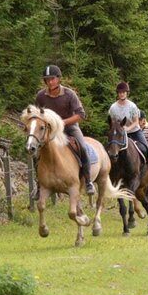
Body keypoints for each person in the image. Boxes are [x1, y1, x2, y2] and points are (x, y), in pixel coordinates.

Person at [35, 64, 95, 196]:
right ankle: (39, 185)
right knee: (37, 150)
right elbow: (37, 114)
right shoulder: (40, 96)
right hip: (50, 130)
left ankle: (89, 181)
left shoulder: (69, 94)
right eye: (47, 79)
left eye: (52, 79)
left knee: (83, 148)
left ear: (58, 79)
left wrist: (63, 122)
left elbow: (81, 115)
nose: (50, 82)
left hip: (69, 127)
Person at [108, 82, 148, 181]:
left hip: (134, 131)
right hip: (119, 133)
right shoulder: (113, 108)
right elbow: (113, 122)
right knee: (111, 147)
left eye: (123, 92)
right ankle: (108, 171)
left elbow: (136, 122)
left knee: (145, 147)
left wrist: (127, 129)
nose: (122, 94)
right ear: (118, 93)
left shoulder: (132, 106)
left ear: (127, 93)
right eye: (120, 92)